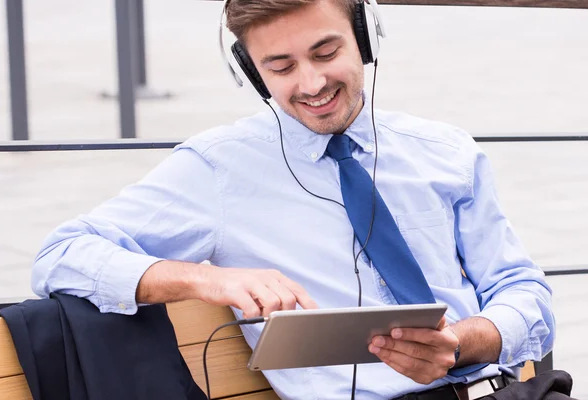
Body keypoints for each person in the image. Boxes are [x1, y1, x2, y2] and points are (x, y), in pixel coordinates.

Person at [32, 0, 556, 399]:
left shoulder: (447, 151)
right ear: (250, 71)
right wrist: (209, 280)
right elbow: (62, 255)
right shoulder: (218, 168)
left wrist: (463, 342)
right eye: (280, 67)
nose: (311, 83)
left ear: (365, 39)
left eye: (326, 52)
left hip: (500, 390)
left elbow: (522, 289)